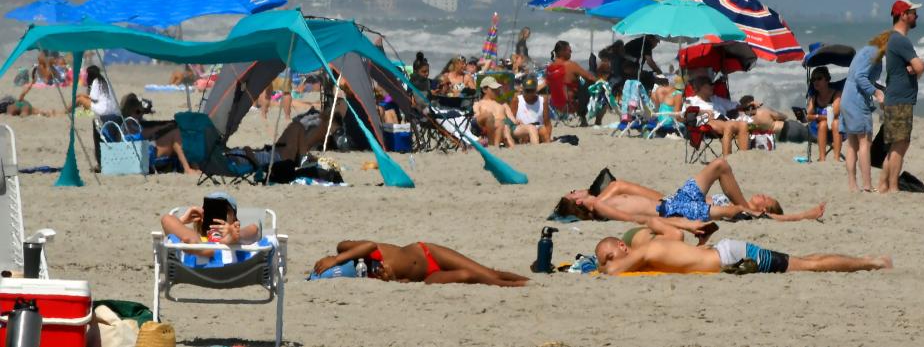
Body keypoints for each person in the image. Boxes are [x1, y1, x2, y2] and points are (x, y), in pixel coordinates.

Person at [556, 157, 826, 223]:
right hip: (675, 207)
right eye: (574, 193)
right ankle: (800, 216)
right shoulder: (600, 205)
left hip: (675, 202)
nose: (576, 191)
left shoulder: (602, 200)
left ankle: (744, 209)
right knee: (733, 208)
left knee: (720, 165)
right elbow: (639, 218)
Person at [594, 234, 891, 275]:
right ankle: (867, 260)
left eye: (608, 255)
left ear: (622, 246)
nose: (609, 261)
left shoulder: (643, 250)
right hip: (726, 254)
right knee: (803, 261)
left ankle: (872, 262)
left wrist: (600, 268)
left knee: (808, 266)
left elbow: (614, 272)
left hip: (730, 257)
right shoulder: (647, 250)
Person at [312, 240, 528, 287]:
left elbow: (369, 245)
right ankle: (511, 286)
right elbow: (404, 281)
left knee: (489, 271)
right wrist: (393, 279)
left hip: (427, 253)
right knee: (467, 276)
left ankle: (527, 281)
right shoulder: (361, 274)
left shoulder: (345, 249)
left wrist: (337, 258)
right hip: (426, 277)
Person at [878, 0, 924, 194]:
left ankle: (883, 184)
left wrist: (914, 70)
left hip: (895, 98)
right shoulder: (900, 39)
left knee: (897, 144)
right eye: (913, 12)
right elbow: (919, 66)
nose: (916, 16)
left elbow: (913, 68)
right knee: (900, 144)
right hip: (900, 100)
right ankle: (892, 186)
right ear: (903, 15)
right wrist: (919, 69)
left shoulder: (894, 39)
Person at [840, 32, 889, 192]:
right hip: (856, 100)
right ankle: (867, 185)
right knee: (865, 142)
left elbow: (860, 76)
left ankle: (852, 185)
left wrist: (879, 88)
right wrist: (877, 93)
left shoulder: (866, 50)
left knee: (852, 144)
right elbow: (861, 77)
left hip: (847, 97)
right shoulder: (874, 53)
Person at [160, 192, 262, 261]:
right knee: (166, 218)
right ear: (202, 216)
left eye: (223, 210)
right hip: (197, 244)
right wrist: (181, 221)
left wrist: (235, 235)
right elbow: (169, 227)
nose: (216, 214)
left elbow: (254, 229)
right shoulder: (196, 237)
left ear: (234, 218)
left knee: (252, 228)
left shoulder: (236, 234)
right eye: (210, 211)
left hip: (230, 244)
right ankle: (200, 248)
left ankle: (228, 239)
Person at [120, 93, 199, 174]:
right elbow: (142, 138)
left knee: (180, 133)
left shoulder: (135, 121)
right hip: (146, 154)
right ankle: (188, 169)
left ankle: (194, 167)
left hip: (148, 150)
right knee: (176, 134)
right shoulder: (129, 123)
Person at [683, 76, 749, 155]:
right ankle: (727, 158)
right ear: (700, 88)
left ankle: (743, 155)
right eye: (709, 85)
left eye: (712, 85)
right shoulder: (691, 100)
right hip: (708, 123)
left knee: (743, 125)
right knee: (729, 126)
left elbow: (734, 105)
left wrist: (748, 104)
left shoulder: (715, 99)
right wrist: (703, 112)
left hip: (724, 120)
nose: (712, 87)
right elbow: (684, 115)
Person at [546, 40, 596, 126]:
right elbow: (590, 78)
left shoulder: (550, 67)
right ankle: (584, 117)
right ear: (562, 52)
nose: (571, 52)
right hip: (570, 108)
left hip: (554, 108)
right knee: (588, 84)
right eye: (569, 50)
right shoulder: (571, 65)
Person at [805, 66, 842, 162]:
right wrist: (819, 117)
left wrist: (817, 116)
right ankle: (822, 157)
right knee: (823, 124)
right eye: (813, 79)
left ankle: (836, 158)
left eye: (819, 78)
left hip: (837, 128)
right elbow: (807, 116)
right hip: (819, 129)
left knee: (835, 123)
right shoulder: (814, 97)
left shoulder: (836, 94)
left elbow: (836, 113)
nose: (815, 81)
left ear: (827, 80)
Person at [737, 95, 809, 144]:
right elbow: (784, 117)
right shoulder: (764, 111)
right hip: (788, 128)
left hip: (780, 137)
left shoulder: (745, 121)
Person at [473, 76, 515, 148]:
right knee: (502, 126)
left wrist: (516, 121)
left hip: (506, 127)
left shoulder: (503, 104)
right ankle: (496, 148)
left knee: (530, 128)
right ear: (484, 90)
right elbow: (477, 118)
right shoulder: (478, 104)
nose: (497, 91)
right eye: (493, 89)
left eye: (497, 89)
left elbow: (513, 120)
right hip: (490, 129)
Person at [510, 76, 552, 144]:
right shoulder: (517, 100)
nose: (529, 94)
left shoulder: (542, 100)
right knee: (528, 132)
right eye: (527, 91)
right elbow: (511, 119)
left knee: (543, 131)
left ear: (536, 90)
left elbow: (547, 122)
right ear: (523, 90)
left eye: (531, 91)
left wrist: (548, 137)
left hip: (538, 127)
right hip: (523, 128)